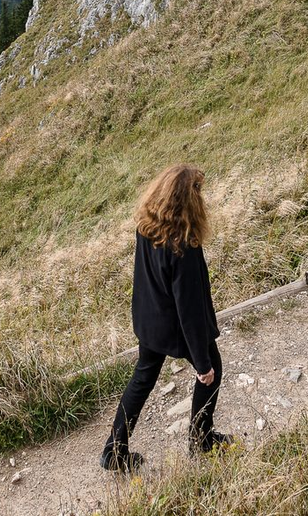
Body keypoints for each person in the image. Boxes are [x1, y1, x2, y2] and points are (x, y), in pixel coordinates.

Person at [100, 164, 232, 472]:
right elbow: (190, 309)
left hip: (149, 320)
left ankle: (114, 451)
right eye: (197, 191)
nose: (202, 197)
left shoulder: (147, 226)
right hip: (174, 326)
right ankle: (201, 440)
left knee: (143, 378)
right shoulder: (183, 246)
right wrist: (201, 362)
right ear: (186, 199)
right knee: (213, 368)